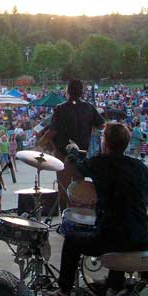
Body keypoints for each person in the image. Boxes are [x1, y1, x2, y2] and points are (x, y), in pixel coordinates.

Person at [44, 123, 148, 296]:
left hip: (114, 239)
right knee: (121, 225)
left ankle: (63, 295)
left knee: (73, 239)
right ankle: (113, 286)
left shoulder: (100, 163)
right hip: (142, 238)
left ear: (105, 143)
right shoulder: (139, 166)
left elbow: (76, 169)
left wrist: (73, 152)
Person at [39, 80, 105, 212]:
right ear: (82, 92)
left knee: (63, 187)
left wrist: (40, 143)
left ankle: (65, 216)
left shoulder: (60, 108)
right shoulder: (89, 108)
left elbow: (52, 132)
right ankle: (78, 216)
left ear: (67, 91)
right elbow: (102, 125)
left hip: (63, 154)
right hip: (81, 153)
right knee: (78, 187)